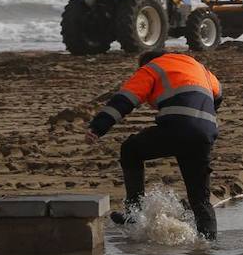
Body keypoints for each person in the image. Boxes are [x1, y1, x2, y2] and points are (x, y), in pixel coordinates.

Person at [86, 50, 223, 239]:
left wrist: (98, 127)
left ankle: (134, 213)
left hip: (176, 127)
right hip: (205, 133)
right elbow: (218, 93)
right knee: (200, 198)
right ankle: (208, 250)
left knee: (130, 150)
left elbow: (125, 100)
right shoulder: (198, 67)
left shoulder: (151, 68)